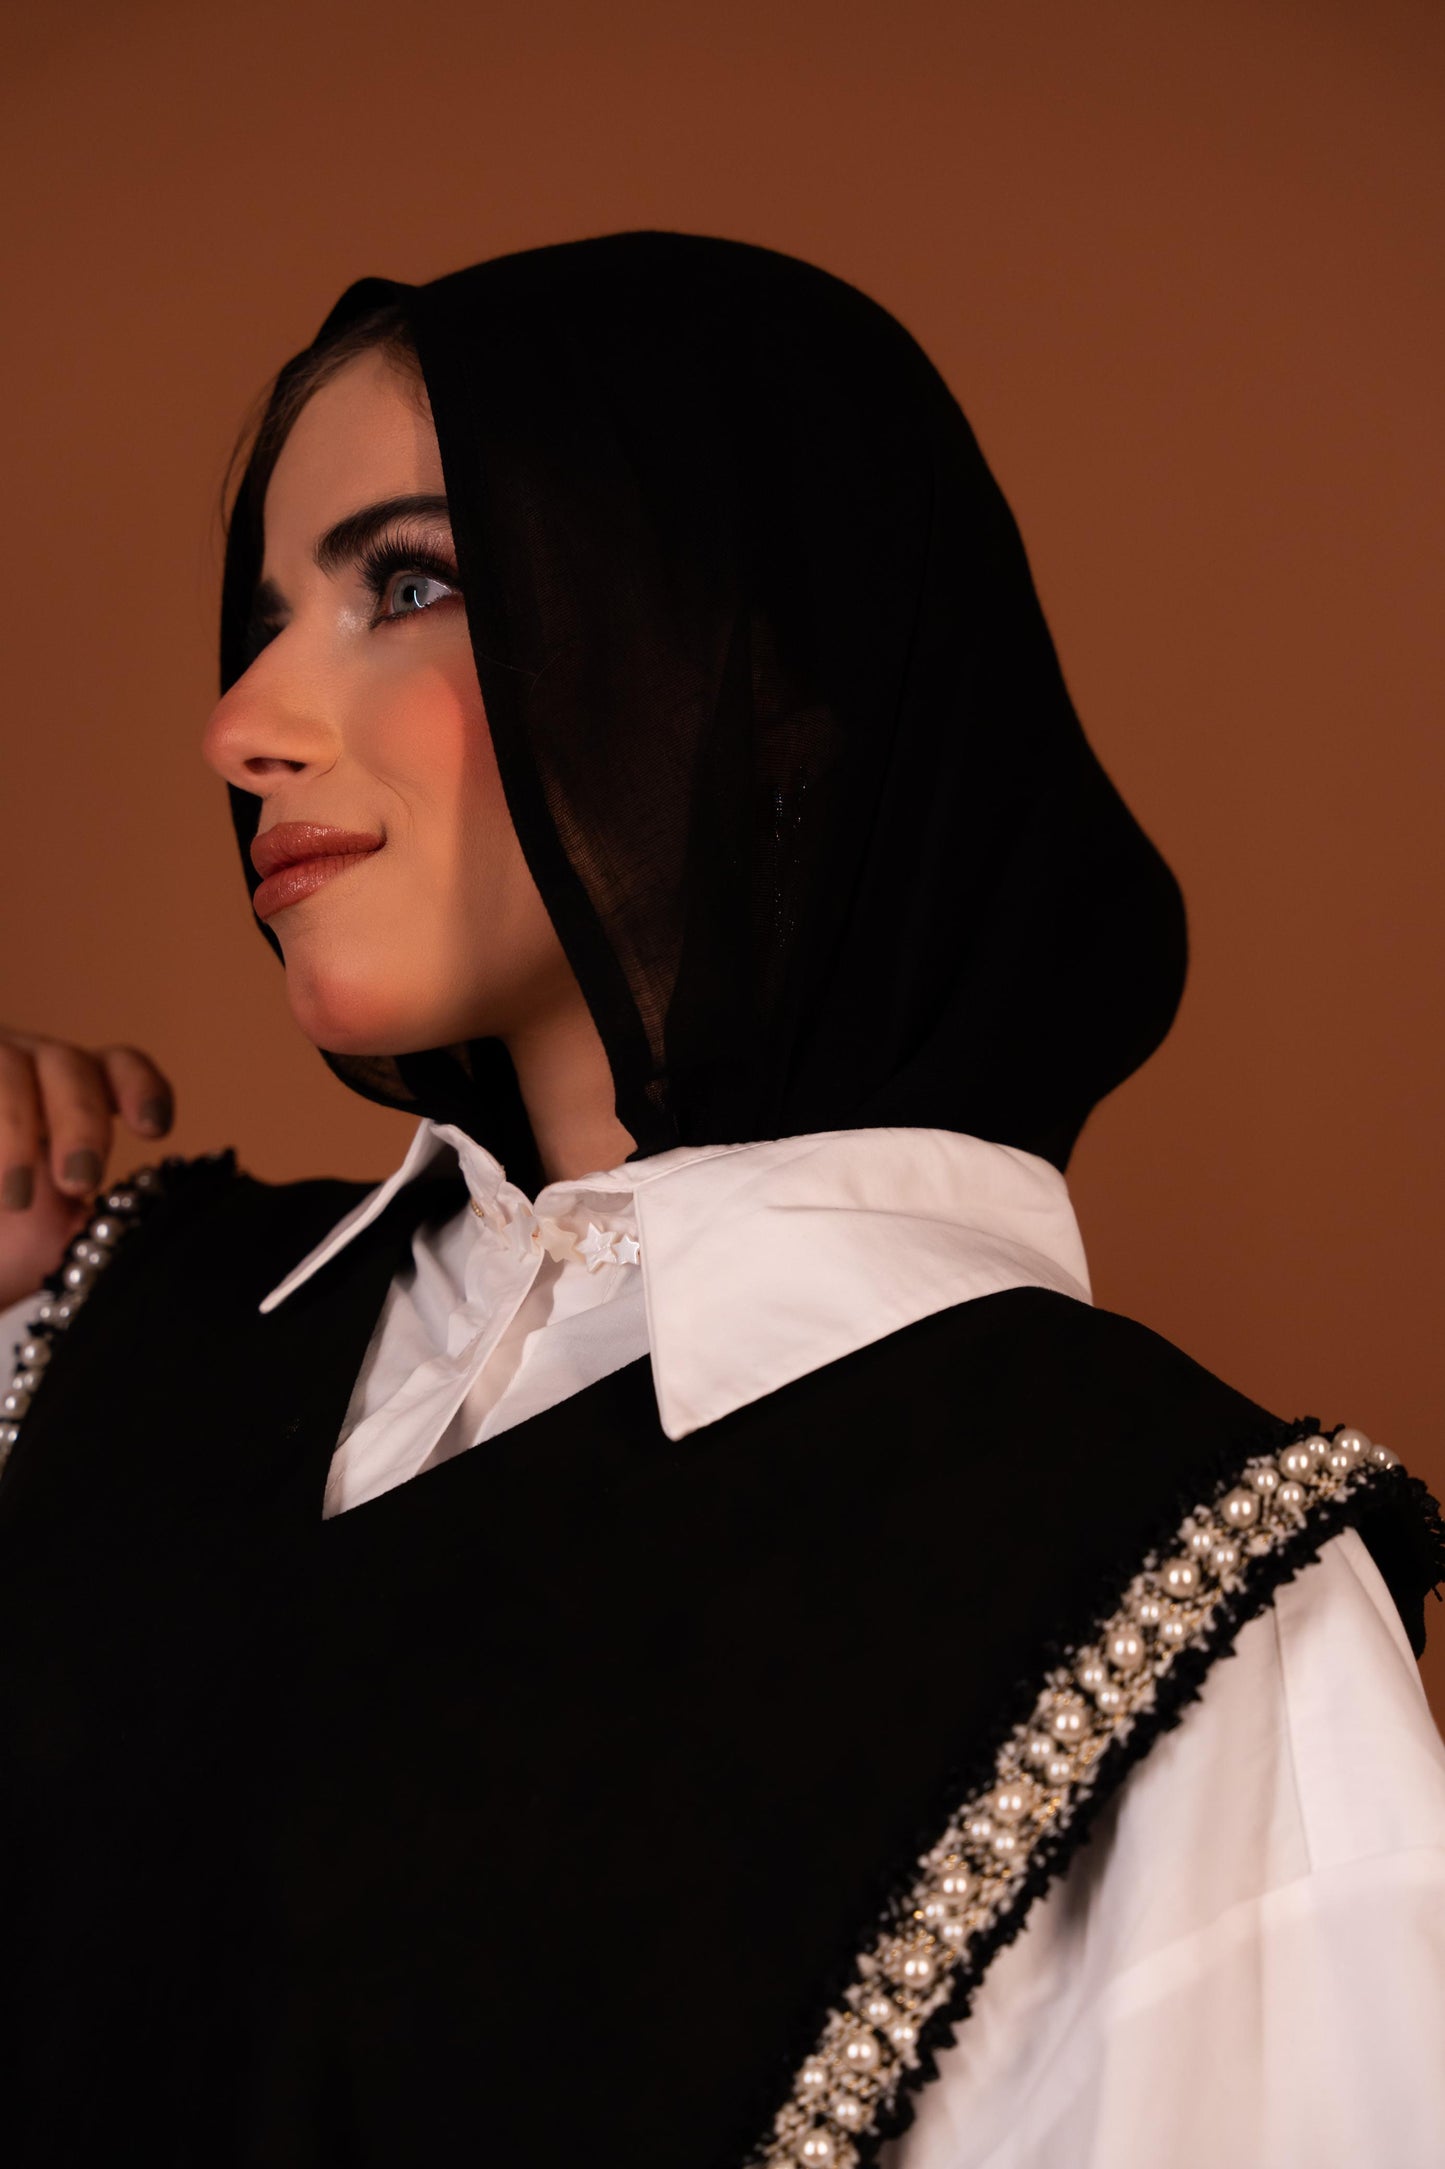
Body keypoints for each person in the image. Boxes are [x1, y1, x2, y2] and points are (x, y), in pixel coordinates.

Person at [0, 230, 1442, 2169]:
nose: (239, 722)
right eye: (267, 617)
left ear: (756, 666)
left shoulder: (1163, 1587)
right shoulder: (93, 1324)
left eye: (409, 583)